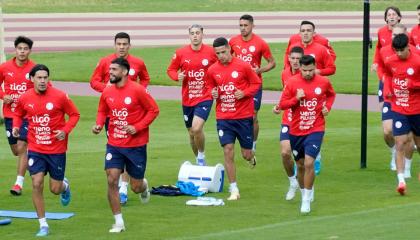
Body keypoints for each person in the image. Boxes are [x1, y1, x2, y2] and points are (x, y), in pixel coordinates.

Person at [92, 57, 159, 233]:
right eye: (110, 69)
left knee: (136, 187)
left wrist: (137, 127)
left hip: (136, 145)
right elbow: (102, 110)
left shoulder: (138, 90)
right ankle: (118, 222)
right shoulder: (107, 91)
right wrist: (99, 124)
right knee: (112, 178)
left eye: (114, 70)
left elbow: (154, 110)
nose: (110, 72)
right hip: (114, 143)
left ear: (124, 72)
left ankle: (144, 186)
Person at [12, 64, 80, 236]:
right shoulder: (25, 97)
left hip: (56, 149)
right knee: (36, 183)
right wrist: (15, 127)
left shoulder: (59, 96)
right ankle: (43, 224)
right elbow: (18, 113)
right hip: (35, 148)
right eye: (39, 78)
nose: (42, 81)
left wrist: (64, 131)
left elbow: (75, 114)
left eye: (45, 77)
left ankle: (65, 187)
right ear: (32, 79)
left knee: (55, 189)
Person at [90, 32, 150, 205]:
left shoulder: (138, 62)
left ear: (129, 45)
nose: (122, 47)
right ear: (114, 45)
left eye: (125, 44)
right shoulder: (104, 62)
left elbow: (145, 78)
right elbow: (93, 81)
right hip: (113, 116)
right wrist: (106, 88)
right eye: (119, 44)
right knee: (118, 147)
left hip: (133, 116)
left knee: (128, 148)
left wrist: (141, 91)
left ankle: (128, 186)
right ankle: (121, 189)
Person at [277, 55, 336, 214]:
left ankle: (305, 200)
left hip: (316, 128)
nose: (308, 73)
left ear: (314, 67)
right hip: (296, 130)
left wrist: (327, 107)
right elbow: (282, 104)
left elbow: (331, 95)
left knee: (310, 163)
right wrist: (296, 99)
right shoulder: (292, 83)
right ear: (300, 69)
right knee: (301, 165)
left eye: (311, 70)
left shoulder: (323, 81)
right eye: (305, 70)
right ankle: (305, 191)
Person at [207, 37, 261, 201]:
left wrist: (244, 93)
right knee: (228, 150)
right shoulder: (212, 70)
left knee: (245, 154)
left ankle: (251, 156)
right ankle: (234, 189)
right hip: (224, 117)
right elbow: (210, 86)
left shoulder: (243, 66)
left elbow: (256, 83)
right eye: (218, 53)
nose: (221, 56)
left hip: (243, 116)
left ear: (230, 49)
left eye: (223, 52)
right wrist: (213, 92)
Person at [285, 20, 336, 175]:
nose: (305, 33)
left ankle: (315, 155)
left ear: (314, 33)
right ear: (299, 32)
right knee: (299, 121)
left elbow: (332, 68)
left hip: (316, 91)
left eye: (309, 30)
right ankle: (301, 160)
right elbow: (287, 62)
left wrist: (317, 72)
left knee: (314, 122)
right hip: (298, 89)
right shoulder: (293, 43)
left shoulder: (321, 49)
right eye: (303, 30)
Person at [167, 24, 217, 166]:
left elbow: (221, 66)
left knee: (196, 128)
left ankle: (201, 156)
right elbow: (170, 70)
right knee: (191, 132)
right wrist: (177, 76)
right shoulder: (181, 53)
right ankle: (198, 160)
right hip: (188, 98)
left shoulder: (211, 52)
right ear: (189, 35)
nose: (195, 35)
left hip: (205, 96)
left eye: (198, 33)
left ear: (202, 34)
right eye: (192, 33)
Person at [229, 14, 276, 154]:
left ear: (252, 26)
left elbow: (272, 63)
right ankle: (236, 140)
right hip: (237, 84)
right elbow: (226, 58)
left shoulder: (260, 43)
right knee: (236, 114)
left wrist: (259, 70)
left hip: (254, 83)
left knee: (253, 115)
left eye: (246, 25)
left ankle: (253, 144)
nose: (243, 28)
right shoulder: (233, 41)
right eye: (241, 25)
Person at [376, 24, 418, 174]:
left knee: (409, 137)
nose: (395, 37)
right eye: (393, 35)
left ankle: (406, 167)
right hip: (392, 98)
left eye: (398, 35)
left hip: (412, 101)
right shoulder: (385, 52)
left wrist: (412, 85)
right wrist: (385, 90)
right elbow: (383, 71)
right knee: (388, 131)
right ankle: (395, 151)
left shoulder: (416, 56)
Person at [383, 34, 420, 195]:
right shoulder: (390, 61)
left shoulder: (418, 61)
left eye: (401, 50)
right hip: (399, 108)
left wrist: (412, 84)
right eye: (396, 50)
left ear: (408, 47)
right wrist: (389, 91)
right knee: (400, 143)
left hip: (417, 109)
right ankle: (401, 181)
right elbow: (388, 76)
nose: (398, 54)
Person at [0, 36, 36, 195]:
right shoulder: (5, 67)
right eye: (20, 48)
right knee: (17, 151)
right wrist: (3, 96)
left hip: (27, 116)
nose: (22, 52)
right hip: (9, 114)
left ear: (29, 50)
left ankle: (18, 183)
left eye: (25, 49)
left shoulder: (34, 69)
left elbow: (45, 86)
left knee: (22, 147)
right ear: (15, 49)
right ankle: (41, 165)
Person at [371, 6, 402, 169]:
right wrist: (376, 63)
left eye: (393, 14)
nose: (391, 17)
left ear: (399, 18)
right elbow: (378, 49)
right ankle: (394, 152)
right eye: (388, 14)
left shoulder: (404, 35)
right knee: (387, 131)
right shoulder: (381, 32)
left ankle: (404, 155)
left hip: (402, 82)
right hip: (386, 81)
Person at [273, 46, 304, 201]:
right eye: (293, 58)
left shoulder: (308, 75)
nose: (295, 61)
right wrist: (279, 106)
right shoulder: (284, 73)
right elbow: (286, 94)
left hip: (304, 120)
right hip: (288, 119)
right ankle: (293, 182)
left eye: (299, 59)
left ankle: (307, 190)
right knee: (285, 153)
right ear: (289, 59)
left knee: (303, 162)